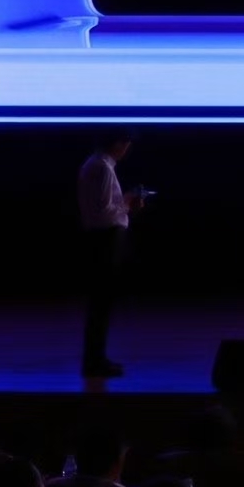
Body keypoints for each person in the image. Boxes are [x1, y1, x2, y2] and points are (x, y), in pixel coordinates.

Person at [76, 135, 142, 378]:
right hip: (105, 240)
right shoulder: (102, 167)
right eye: (126, 145)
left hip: (101, 239)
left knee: (100, 304)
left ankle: (96, 359)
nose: (126, 150)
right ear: (117, 143)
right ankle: (94, 362)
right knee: (101, 304)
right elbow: (104, 212)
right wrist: (127, 204)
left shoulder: (93, 164)